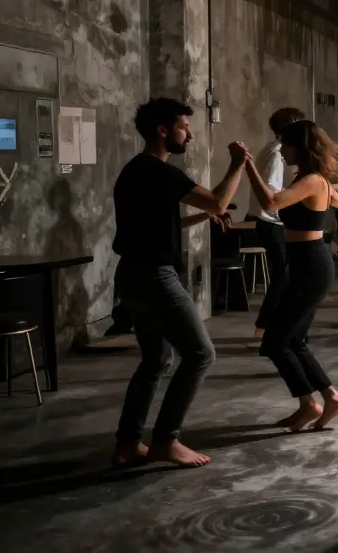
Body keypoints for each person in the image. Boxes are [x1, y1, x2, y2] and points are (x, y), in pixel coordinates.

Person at [111, 98, 249, 469]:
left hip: (131, 274)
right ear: (162, 130)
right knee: (201, 354)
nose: (189, 133)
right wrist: (237, 163)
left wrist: (199, 220)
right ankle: (165, 441)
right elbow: (220, 202)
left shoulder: (134, 171)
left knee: (156, 359)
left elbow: (159, 224)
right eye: (184, 126)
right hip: (155, 276)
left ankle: (127, 444)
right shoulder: (160, 172)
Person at [245, 120, 338, 432]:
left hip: (311, 265)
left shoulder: (313, 180)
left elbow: (271, 203)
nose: (283, 151)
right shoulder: (308, 179)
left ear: (300, 148)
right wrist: (324, 198)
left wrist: (248, 165)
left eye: (287, 146)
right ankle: (329, 399)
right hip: (304, 263)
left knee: (276, 342)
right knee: (294, 340)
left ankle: (310, 404)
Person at [246, 107, 305, 338]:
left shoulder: (273, 150)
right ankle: (264, 326)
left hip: (270, 221)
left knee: (284, 275)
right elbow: (272, 191)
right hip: (271, 221)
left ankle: (268, 325)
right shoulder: (277, 153)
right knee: (283, 276)